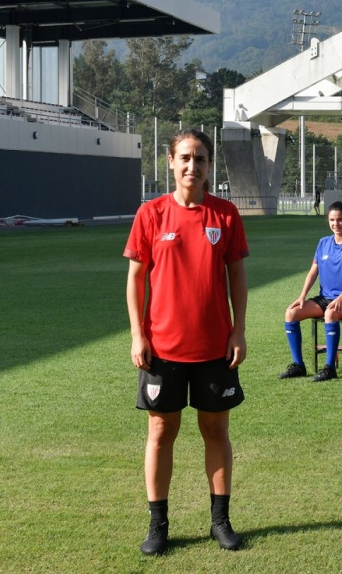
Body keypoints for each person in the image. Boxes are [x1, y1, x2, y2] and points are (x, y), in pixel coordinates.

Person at [126, 129, 248, 555]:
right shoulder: (151, 213)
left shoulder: (226, 215)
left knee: (216, 429)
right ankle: (158, 525)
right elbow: (136, 278)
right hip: (162, 348)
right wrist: (138, 334)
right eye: (184, 158)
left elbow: (236, 276)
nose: (192, 166)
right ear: (171, 162)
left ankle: (220, 521)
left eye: (199, 158)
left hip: (215, 346)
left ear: (209, 165)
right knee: (161, 430)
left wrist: (239, 329)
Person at [279, 201, 342, 380]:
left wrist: (341, 299)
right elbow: (313, 272)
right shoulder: (323, 243)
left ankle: (329, 368)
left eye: (340, 220)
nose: (336, 224)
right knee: (291, 313)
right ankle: (298, 365)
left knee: (330, 314)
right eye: (332, 220)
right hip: (324, 298)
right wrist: (302, 296)